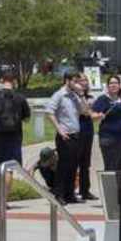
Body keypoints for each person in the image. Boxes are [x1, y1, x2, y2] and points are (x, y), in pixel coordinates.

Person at [44, 74, 85, 204]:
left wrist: (81, 95)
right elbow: (49, 112)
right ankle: (59, 194)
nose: (77, 83)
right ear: (67, 81)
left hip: (76, 135)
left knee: (73, 166)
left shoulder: (74, 95)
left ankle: (70, 194)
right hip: (65, 136)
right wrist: (59, 129)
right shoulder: (59, 95)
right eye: (75, 81)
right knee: (64, 166)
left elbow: (84, 111)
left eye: (78, 81)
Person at [0, 70, 30, 170]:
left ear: (2, 81)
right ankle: (7, 187)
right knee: (9, 168)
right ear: (14, 81)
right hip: (15, 137)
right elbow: (27, 119)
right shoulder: (20, 98)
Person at [91, 75, 121, 172]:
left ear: (119, 85)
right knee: (111, 167)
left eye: (116, 83)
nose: (113, 85)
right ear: (107, 86)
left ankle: (120, 187)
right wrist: (98, 115)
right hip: (109, 139)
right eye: (111, 83)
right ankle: (110, 187)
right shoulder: (103, 99)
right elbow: (92, 115)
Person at [75, 76, 97, 201]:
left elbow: (89, 112)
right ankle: (72, 189)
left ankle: (85, 190)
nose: (84, 83)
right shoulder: (73, 97)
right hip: (76, 128)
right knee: (74, 161)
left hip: (87, 129)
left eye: (85, 80)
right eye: (81, 81)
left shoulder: (90, 97)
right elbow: (83, 111)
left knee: (85, 161)